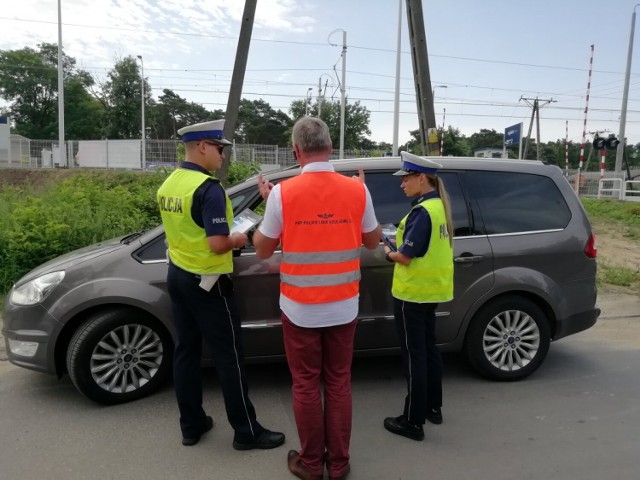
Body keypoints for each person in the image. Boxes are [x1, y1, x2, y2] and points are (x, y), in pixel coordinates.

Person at [253, 117, 381, 480]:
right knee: (339, 382)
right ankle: (338, 465)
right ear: (330, 148)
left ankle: (311, 464)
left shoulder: (283, 193)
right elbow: (372, 242)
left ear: (296, 151)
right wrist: (359, 199)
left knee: (306, 383)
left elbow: (263, 251)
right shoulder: (358, 190)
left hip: (300, 309)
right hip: (343, 305)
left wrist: (271, 207)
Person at [157, 119, 285, 450]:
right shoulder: (208, 188)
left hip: (179, 276)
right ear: (202, 147)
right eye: (219, 148)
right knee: (228, 357)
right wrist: (240, 237)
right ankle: (246, 432)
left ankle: (192, 425)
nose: (223, 155)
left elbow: (187, 231)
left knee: (186, 351)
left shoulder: (170, 183)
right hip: (209, 283)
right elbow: (217, 243)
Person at [382, 151, 454, 442]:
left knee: (415, 357)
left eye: (406, 178)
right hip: (432, 291)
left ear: (421, 178)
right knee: (429, 350)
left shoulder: (422, 212)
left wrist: (387, 251)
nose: (402, 184)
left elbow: (405, 256)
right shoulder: (438, 207)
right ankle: (432, 407)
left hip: (412, 294)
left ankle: (412, 421)